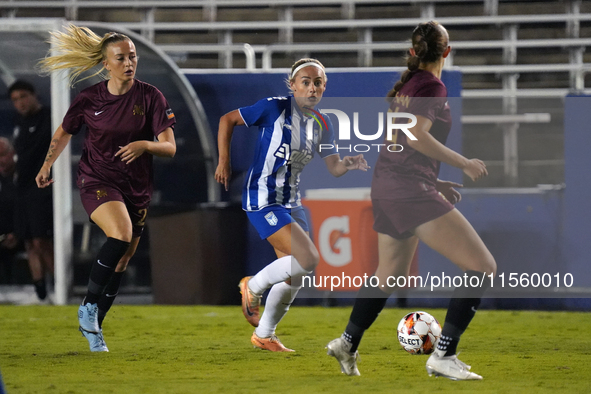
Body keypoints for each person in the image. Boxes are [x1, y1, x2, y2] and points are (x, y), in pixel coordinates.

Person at [326, 21, 496, 380]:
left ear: (414, 51)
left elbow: (400, 143)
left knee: (388, 275)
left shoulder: (412, 85)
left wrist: (435, 180)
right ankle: (443, 356)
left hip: (389, 186)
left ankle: (346, 343)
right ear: (446, 52)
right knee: (482, 267)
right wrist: (463, 163)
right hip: (406, 190)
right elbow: (416, 136)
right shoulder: (431, 86)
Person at [36, 24, 177, 352]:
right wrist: (46, 165)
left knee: (123, 260)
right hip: (96, 180)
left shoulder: (150, 96)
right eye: (121, 58)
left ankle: (95, 327)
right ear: (105, 65)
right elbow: (63, 133)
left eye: (133, 56)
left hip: (136, 187)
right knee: (121, 233)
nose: (129, 62)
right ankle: (87, 307)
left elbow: (169, 147)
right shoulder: (89, 99)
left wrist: (145, 144)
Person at [215, 58, 369, 352]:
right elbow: (227, 119)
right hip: (263, 198)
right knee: (308, 259)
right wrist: (224, 161)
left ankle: (264, 334)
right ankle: (253, 286)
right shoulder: (275, 108)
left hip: (291, 202)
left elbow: (334, 167)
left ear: (325, 86)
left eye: (318, 83)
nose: (312, 88)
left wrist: (347, 163)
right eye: (306, 82)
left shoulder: (323, 123)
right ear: (292, 86)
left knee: (297, 273)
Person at [8, 80, 54, 301]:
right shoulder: (19, 124)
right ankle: (40, 289)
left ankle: (59, 285)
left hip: (41, 188)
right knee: (28, 241)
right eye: (15, 100)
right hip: (22, 188)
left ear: (35, 94)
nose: (20, 103)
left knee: (40, 240)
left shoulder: (49, 117)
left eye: (23, 96)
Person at [0, 137, 20, 282]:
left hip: (23, 234)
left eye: (2, 155)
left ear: (12, 153)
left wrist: (17, 233)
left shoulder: (26, 176)